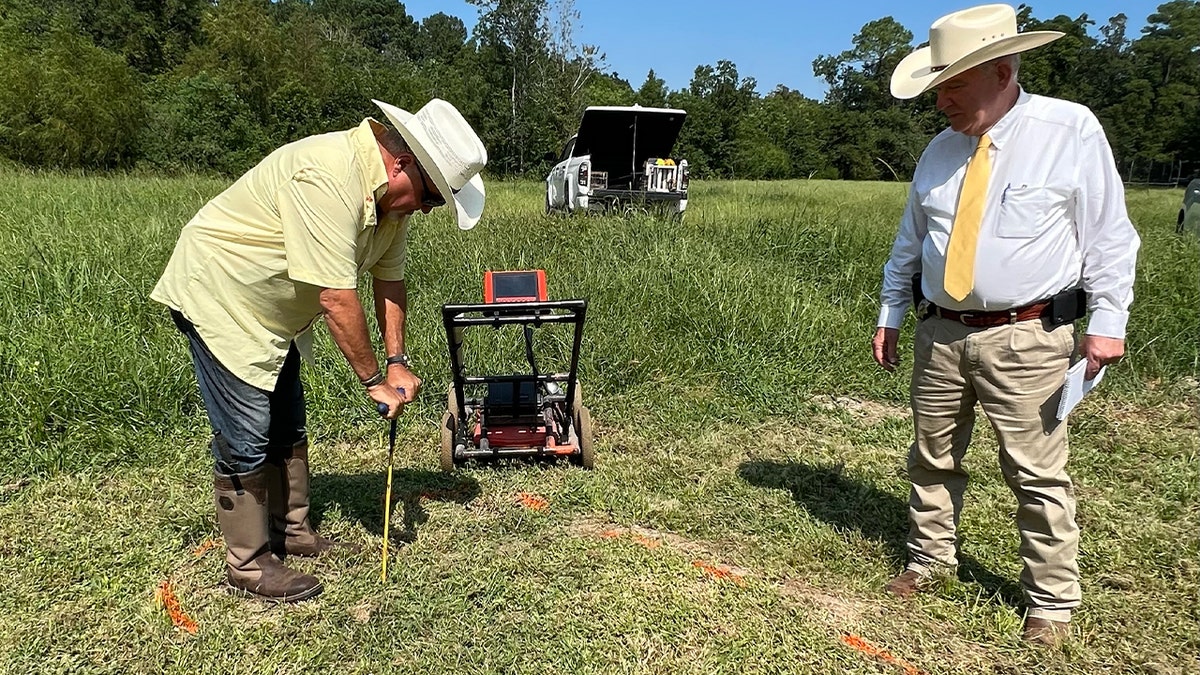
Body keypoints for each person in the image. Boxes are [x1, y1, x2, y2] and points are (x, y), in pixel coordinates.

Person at [871, 4, 1139, 646]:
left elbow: (1110, 236)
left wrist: (1108, 321)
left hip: (1028, 335)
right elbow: (911, 242)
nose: (942, 100)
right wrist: (892, 311)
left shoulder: (1068, 130)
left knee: (1036, 470)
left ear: (1000, 69)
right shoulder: (938, 151)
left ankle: (1051, 600)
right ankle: (930, 560)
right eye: (938, 86)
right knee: (932, 455)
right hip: (940, 332)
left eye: (954, 84)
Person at [152, 98, 488, 602]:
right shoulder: (326, 176)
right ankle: (247, 563)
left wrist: (397, 361)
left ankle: (292, 530)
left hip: (272, 313)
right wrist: (374, 380)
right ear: (402, 163)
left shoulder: (392, 206)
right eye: (431, 196)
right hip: (221, 293)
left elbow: (389, 282)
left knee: (287, 417)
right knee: (247, 431)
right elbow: (335, 296)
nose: (426, 208)